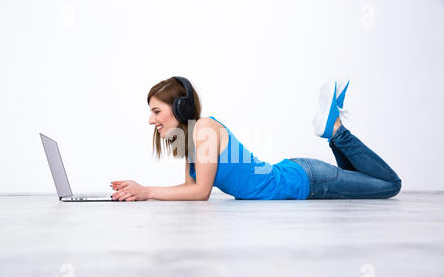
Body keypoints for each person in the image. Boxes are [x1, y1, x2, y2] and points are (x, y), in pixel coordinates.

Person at [110, 76, 401, 201]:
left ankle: (337, 131)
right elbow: (190, 188)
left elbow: (201, 192)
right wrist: (141, 191)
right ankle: (334, 129)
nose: (151, 120)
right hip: (299, 175)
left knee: (390, 185)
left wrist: (147, 191)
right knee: (360, 179)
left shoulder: (205, 130)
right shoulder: (190, 141)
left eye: (156, 111)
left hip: (307, 182)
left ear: (178, 108)